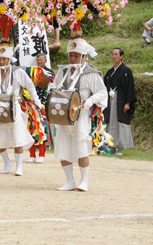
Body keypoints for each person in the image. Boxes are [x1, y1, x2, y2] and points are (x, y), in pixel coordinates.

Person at [49, 35, 108, 192]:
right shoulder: (63, 72)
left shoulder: (91, 73)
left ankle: (84, 181)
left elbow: (102, 92)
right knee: (63, 147)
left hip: (81, 115)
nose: (73, 58)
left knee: (82, 146)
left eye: (76, 55)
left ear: (84, 56)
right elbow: (54, 87)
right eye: (71, 55)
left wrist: (89, 102)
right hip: (62, 115)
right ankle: (69, 181)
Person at [0, 46, 41, 176]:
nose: (1, 62)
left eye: (4, 59)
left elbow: (30, 86)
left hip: (14, 108)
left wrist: (36, 101)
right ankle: (7, 162)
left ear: (9, 59)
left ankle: (19, 166)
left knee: (17, 137)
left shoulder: (18, 72)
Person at [103, 48, 137, 156]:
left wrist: (128, 103)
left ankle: (120, 148)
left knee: (120, 123)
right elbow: (104, 86)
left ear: (121, 56)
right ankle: (111, 146)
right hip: (110, 100)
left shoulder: (126, 71)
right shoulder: (109, 72)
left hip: (121, 100)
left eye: (116, 54)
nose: (114, 56)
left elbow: (130, 88)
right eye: (112, 54)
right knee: (110, 123)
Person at [27, 53, 54, 163]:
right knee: (30, 129)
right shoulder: (31, 72)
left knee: (41, 129)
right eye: (38, 60)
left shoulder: (50, 72)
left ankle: (42, 155)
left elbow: (53, 86)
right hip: (31, 103)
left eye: (41, 60)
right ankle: (32, 155)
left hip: (43, 104)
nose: (39, 61)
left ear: (45, 61)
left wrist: (42, 82)